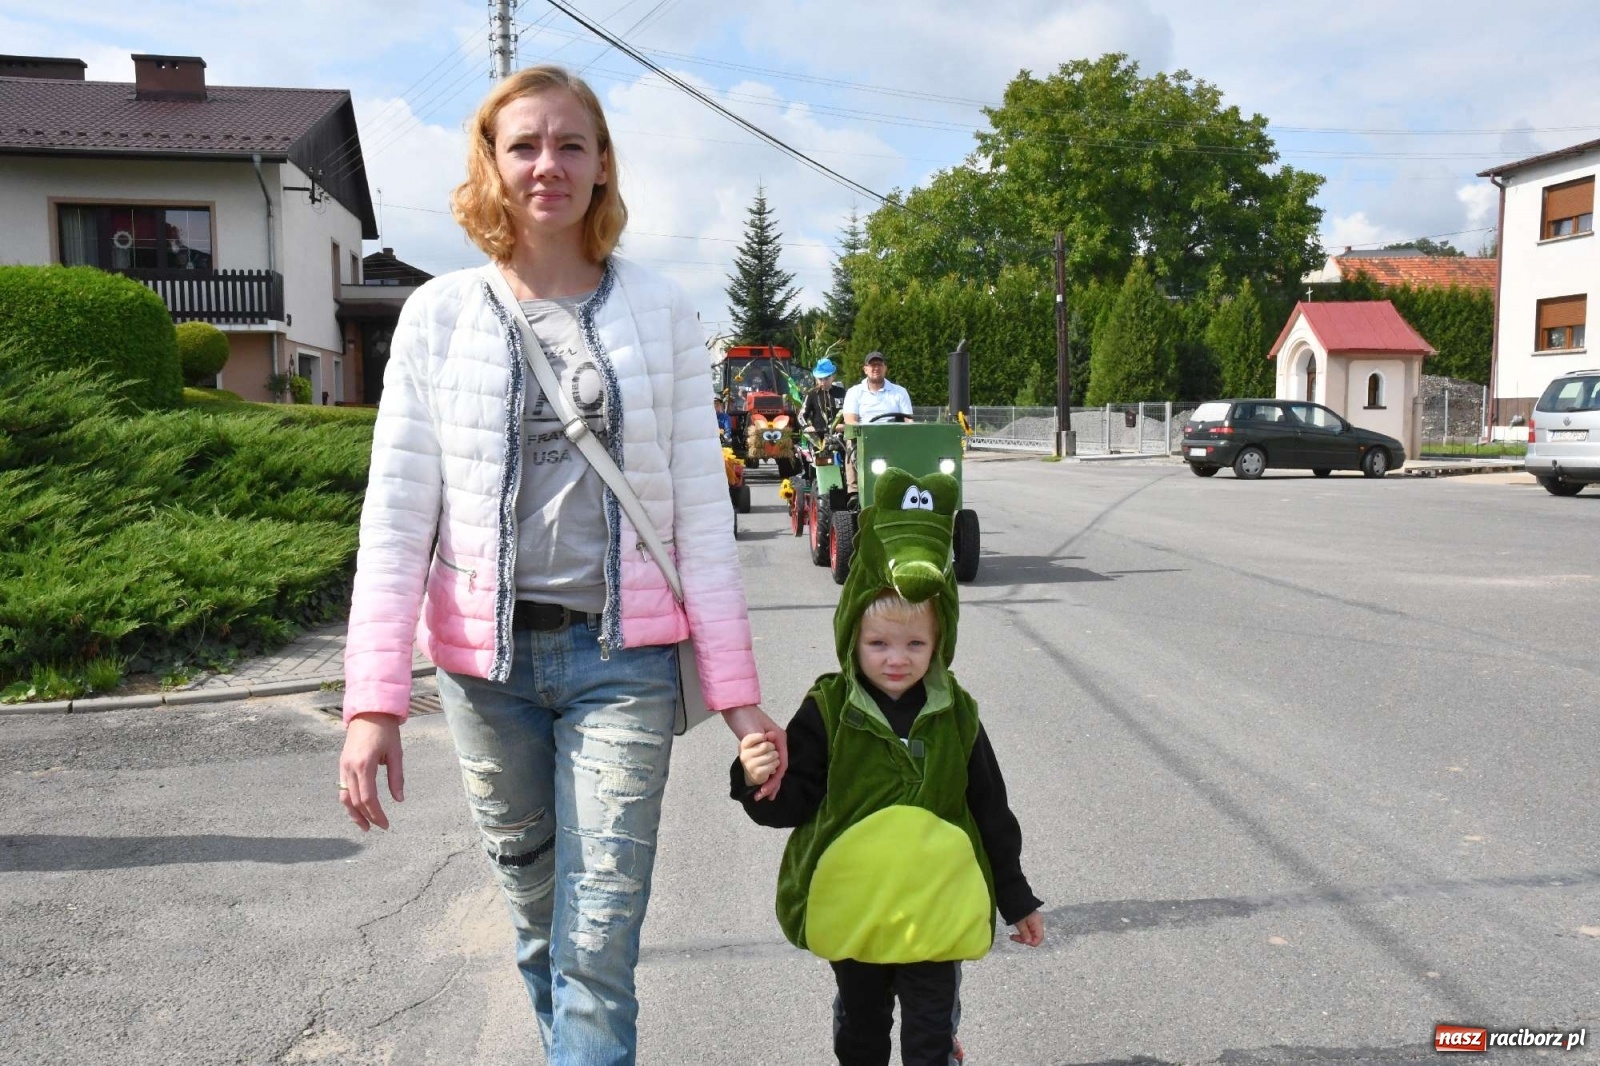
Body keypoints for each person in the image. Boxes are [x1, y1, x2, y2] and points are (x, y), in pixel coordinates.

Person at [336, 65, 787, 1066]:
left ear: (601, 166)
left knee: (599, 937)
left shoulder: (664, 314)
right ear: (491, 166)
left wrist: (740, 694)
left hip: (621, 662)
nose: (549, 163)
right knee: (541, 927)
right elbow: (398, 515)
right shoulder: (439, 318)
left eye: (570, 144)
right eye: (525, 144)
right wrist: (371, 702)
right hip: (483, 672)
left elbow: (698, 522)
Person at [732, 468, 1044, 1066]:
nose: (897, 660)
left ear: (939, 643)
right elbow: (790, 802)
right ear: (853, 638)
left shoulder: (956, 713)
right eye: (879, 644)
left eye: (915, 646)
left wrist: (1017, 897)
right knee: (862, 1032)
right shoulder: (827, 710)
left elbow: (989, 809)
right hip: (860, 912)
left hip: (935, 910)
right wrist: (754, 777)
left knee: (929, 1037)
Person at [840, 352, 913, 493]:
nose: (876, 368)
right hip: (865, 436)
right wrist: (868, 432)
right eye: (872, 365)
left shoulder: (899, 392)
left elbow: (908, 420)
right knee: (851, 441)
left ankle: (910, 482)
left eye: (879, 365)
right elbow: (850, 420)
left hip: (894, 435)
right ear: (865, 369)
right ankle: (854, 489)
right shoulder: (855, 392)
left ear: (885, 368)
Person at [800, 356, 847, 440]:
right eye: (820, 379)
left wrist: (845, 425)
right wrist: (806, 427)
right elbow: (801, 415)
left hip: (840, 437)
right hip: (818, 438)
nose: (823, 382)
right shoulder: (812, 394)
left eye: (826, 378)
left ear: (833, 376)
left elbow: (851, 413)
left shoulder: (842, 393)